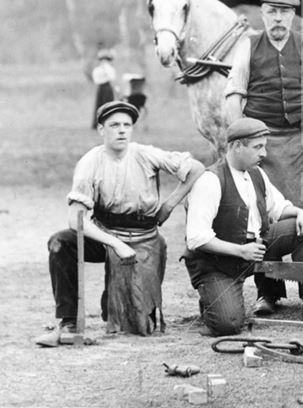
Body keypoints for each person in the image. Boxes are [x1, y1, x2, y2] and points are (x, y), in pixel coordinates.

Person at [35, 101, 204, 347]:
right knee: (60, 243)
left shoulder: (146, 154)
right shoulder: (90, 162)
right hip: (104, 235)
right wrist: (115, 244)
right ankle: (68, 321)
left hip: (144, 238)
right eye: (114, 125)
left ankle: (114, 304)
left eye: (127, 125)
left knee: (138, 326)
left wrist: (169, 205)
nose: (122, 130)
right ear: (101, 129)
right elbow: (76, 219)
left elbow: (196, 168)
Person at [223, 0, 303, 316]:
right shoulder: (247, 46)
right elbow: (234, 94)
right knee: (262, 217)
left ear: (292, 16)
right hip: (264, 145)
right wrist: (241, 137)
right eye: (272, 12)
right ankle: (269, 293)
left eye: (285, 13)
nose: (278, 19)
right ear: (262, 14)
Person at [183, 118, 303, 336]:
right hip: (218, 263)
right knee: (228, 325)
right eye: (258, 147)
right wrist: (240, 250)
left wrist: (301, 212)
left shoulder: (256, 173)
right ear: (237, 146)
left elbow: (278, 208)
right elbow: (197, 238)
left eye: (264, 146)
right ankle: (213, 301)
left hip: (255, 250)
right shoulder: (210, 181)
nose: (264, 153)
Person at [91, 49, 117, 128]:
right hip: (101, 88)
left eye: (105, 60)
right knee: (99, 105)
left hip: (107, 88)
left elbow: (112, 77)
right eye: (102, 60)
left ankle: (109, 123)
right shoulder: (97, 70)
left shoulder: (110, 69)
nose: (104, 62)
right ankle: (98, 123)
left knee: (108, 105)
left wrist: (106, 69)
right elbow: (96, 80)